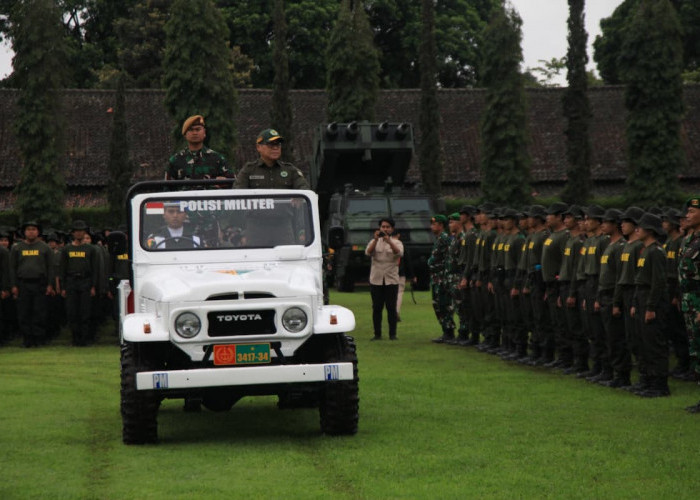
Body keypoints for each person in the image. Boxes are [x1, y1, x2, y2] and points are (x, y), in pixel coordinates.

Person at [630, 213, 670, 397]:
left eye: (641, 227)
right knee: (643, 342)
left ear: (650, 230)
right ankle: (646, 379)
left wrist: (651, 307)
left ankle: (659, 384)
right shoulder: (644, 250)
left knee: (655, 343)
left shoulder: (656, 251)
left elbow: (658, 282)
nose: (636, 230)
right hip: (641, 296)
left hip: (651, 299)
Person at [9, 221, 54, 347]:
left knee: (39, 312)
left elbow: (50, 268)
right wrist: (13, 285)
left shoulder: (45, 248)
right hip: (23, 284)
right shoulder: (17, 248)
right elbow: (12, 268)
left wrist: (50, 284)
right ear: (24, 232)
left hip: (40, 283)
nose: (31, 231)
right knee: (24, 312)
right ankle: (27, 339)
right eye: (28, 229)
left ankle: (39, 339)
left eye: (33, 229)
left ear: (38, 232)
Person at [59, 220, 99, 346]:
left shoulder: (91, 249)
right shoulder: (67, 249)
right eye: (77, 231)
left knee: (85, 312)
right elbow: (62, 269)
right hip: (71, 282)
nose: (79, 233)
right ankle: (75, 339)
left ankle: (84, 339)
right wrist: (63, 287)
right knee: (72, 312)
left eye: (82, 231)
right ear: (73, 233)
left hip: (85, 281)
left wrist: (93, 285)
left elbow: (95, 269)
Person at [365, 218, 403, 340]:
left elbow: (399, 253)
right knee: (377, 307)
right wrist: (376, 240)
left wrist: (389, 242)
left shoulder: (397, 242)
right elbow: (368, 252)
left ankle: (393, 334)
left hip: (391, 280)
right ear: (379, 228)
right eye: (383, 227)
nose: (385, 229)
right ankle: (377, 334)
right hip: (376, 279)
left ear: (392, 229)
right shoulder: (373, 241)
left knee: (391, 308)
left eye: (387, 227)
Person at [679, 197, 700, 412]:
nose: (687, 215)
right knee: (695, 351)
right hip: (689, 302)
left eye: (692, 211)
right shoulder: (689, 240)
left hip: (698, 302)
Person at [234, 129, 309, 189]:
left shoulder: (290, 170)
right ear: (258, 147)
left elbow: (304, 188)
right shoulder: (249, 170)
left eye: (278, 144)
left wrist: (298, 198)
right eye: (271, 144)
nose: (275, 148)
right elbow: (238, 193)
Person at [166, 115, 233, 180]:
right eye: (191, 130)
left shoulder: (217, 159)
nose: (195, 133)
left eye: (198, 129)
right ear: (185, 135)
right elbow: (167, 188)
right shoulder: (175, 160)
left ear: (204, 133)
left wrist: (222, 182)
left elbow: (232, 183)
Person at [429, 215, 455, 343]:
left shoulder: (444, 239)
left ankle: (449, 331)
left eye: (434, 224)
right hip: (436, 277)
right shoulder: (439, 239)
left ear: (440, 225)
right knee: (438, 305)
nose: (432, 226)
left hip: (442, 278)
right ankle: (445, 331)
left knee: (444, 304)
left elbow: (445, 259)